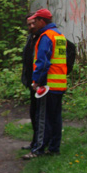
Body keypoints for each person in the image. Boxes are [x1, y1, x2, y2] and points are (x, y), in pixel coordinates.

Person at [23, 8, 67, 159]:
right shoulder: (59, 35)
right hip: (59, 84)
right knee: (56, 118)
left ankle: (38, 150)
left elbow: (42, 62)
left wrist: (37, 82)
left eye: (35, 21)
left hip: (47, 85)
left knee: (43, 118)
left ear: (42, 21)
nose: (33, 24)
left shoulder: (46, 37)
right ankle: (54, 148)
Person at [21, 13, 40, 151]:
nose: (31, 26)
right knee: (33, 113)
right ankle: (35, 141)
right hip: (32, 82)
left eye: (33, 23)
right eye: (29, 24)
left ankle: (40, 143)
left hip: (41, 83)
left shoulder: (44, 38)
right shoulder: (31, 38)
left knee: (40, 114)